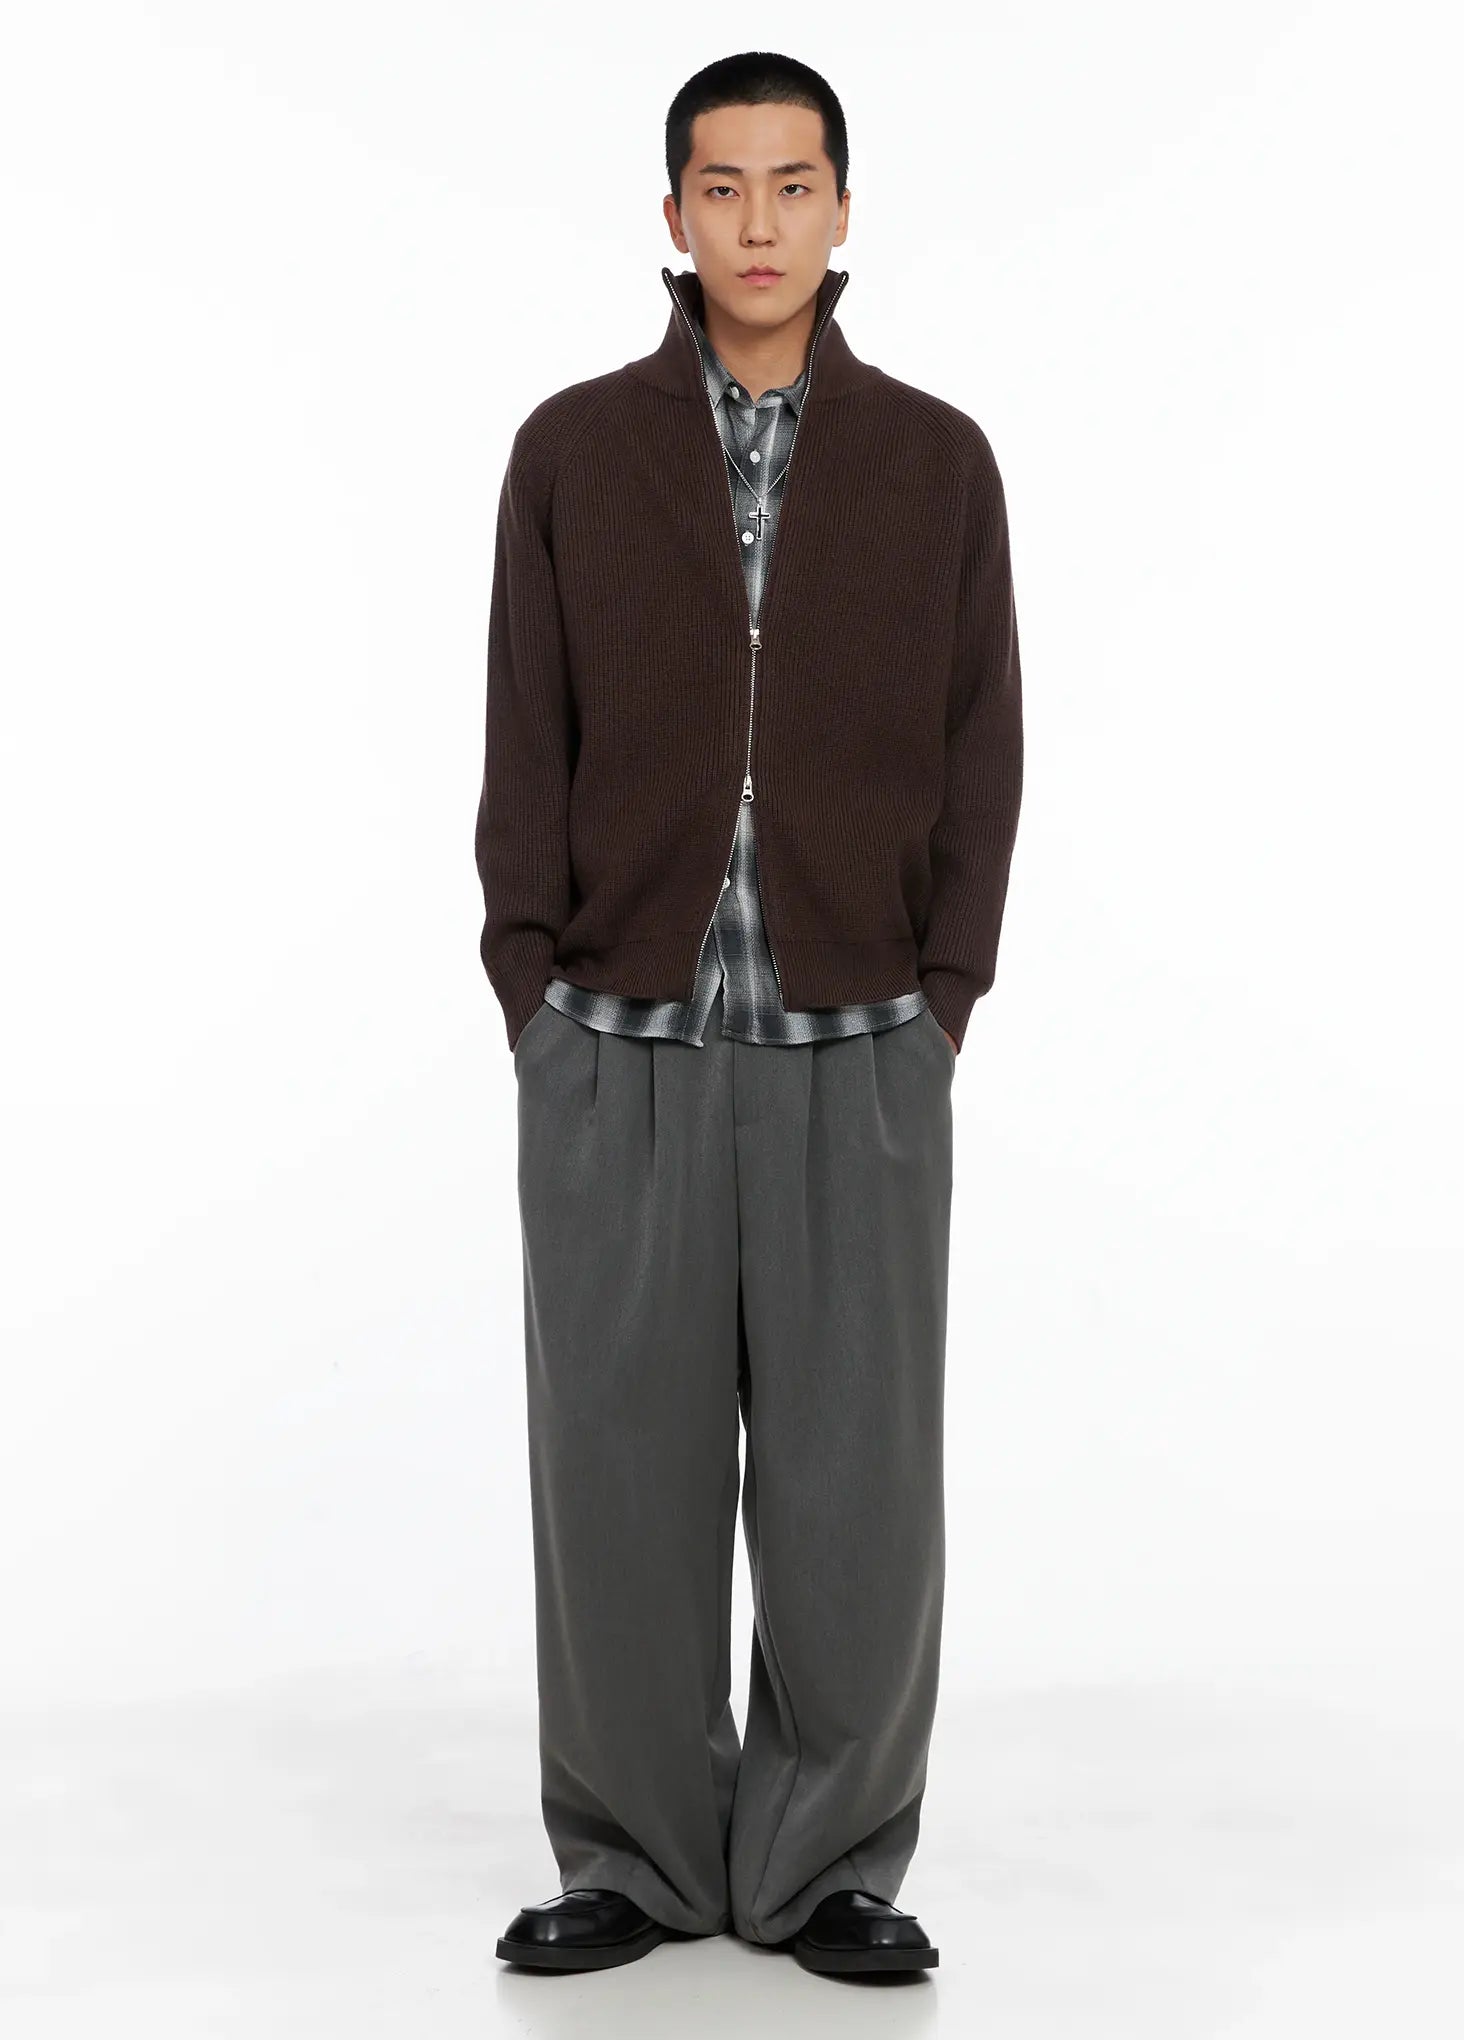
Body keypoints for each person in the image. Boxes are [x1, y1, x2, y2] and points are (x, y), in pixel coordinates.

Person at [475, 49, 1024, 1980]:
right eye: (724, 188)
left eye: (796, 186)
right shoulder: (571, 449)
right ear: (674, 214)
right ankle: (630, 1856)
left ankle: (831, 1864)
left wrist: (943, 1000)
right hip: (613, 1046)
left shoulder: (938, 462)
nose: (761, 223)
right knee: (616, 1479)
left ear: (844, 210)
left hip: (860, 1049)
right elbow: (522, 731)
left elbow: (984, 747)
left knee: (856, 1489)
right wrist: (530, 991)